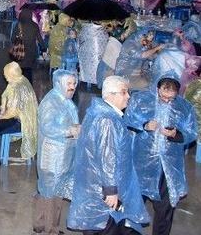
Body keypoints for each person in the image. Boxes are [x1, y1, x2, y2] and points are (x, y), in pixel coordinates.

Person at [68, 75, 150, 234]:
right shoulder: (108, 120)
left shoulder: (99, 111)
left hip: (96, 182)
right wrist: (111, 190)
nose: (128, 96)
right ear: (111, 95)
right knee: (105, 225)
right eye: (124, 92)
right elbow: (107, 158)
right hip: (103, 186)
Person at [124, 73, 197, 235]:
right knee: (135, 204)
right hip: (141, 163)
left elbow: (191, 133)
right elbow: (127, 120)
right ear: (157, 88)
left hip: (168, 167)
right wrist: (144, 125)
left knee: (165, 208)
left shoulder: (184, 107)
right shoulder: (141, 100)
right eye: (163, 96)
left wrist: (175, 135)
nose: (166, 100)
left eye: (171, 98)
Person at [34, 69, 80, 235]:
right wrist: (70, 130)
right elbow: (48, 127)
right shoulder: (51, 102)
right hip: (52, 154)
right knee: (52, 193)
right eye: (69, 84)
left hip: (63, 154)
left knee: (48, 190)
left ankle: (39, 224)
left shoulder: (66, 101)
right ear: (59, 83)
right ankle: (51, 230)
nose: (72, 87)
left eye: (74, 83)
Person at [0, 62, 38, 167]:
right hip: (15, 115)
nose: (5, 76)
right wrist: (2, 111)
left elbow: (13, 111)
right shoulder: (18, 80)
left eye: (6, 74)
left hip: (20, 121)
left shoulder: (19, 87)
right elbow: (5, 97)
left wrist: (2, 116)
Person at [10, 8, 44, 83]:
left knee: (19, 73)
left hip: (20, 53)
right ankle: (29, 90)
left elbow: (12, 38)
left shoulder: (18, 25)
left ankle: (20, 90)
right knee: (29, 73)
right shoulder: (34, 25)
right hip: (31, 53)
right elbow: (40, 39)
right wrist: (44, 48)